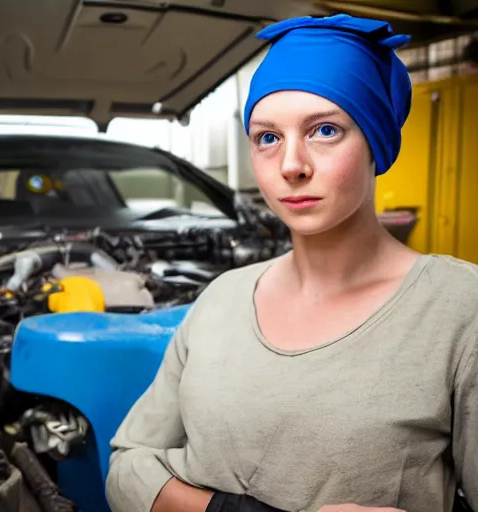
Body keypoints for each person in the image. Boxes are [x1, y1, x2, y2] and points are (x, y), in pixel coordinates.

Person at [105, 13, 478, 512]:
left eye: (324, 130)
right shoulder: (222, 297)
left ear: (378, 142)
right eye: (267, 137)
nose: (291, 166)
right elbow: (128, 464)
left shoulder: (459, 308)